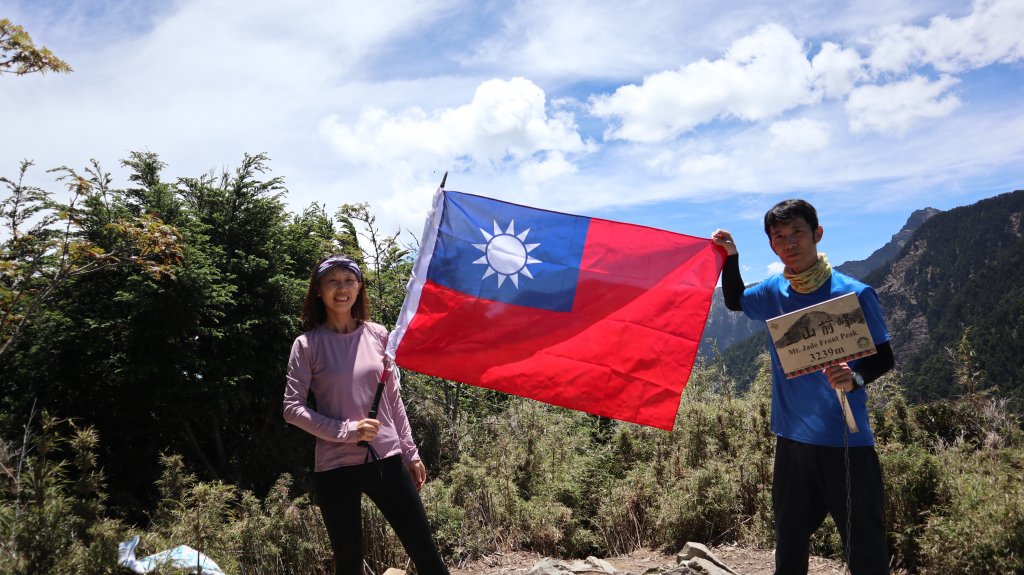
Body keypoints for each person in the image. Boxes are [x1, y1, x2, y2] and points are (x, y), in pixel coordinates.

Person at [711, 200, 895, 575]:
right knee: (790, 540)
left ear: (817, 234)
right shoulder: (774, 290)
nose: (789, 242)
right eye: (779, 237)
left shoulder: (855, 293)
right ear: (772, 245)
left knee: (864, 547)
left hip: (846, 442)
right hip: (792, 441)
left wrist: (856, 378)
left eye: (797, 232)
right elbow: (734, 300)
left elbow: (885, 357)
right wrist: (731, 256)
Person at [283, 255, 449, 575]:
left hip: (386, 458)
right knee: (348, 566)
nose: (341, 288)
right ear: (319, 290)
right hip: (334, 468)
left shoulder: (379, 335)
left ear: (359, 288)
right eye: (332, 281)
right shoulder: (306, 345)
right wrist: (347, 431)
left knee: (426, 555)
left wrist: (411, 453)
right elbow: (292, 409)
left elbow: (393, 400)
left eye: (349, 280)